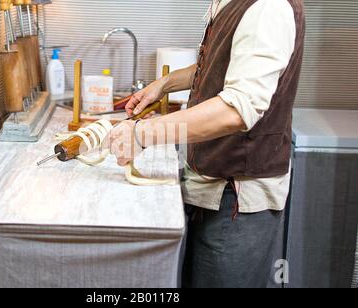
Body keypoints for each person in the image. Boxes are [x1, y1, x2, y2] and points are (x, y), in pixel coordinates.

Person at [105, 0, 305, 288]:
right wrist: (165, 84)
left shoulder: (267, 7)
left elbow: (237, 109)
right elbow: (217, 64)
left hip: (237, 197)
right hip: (211, 187)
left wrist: (142, 134)